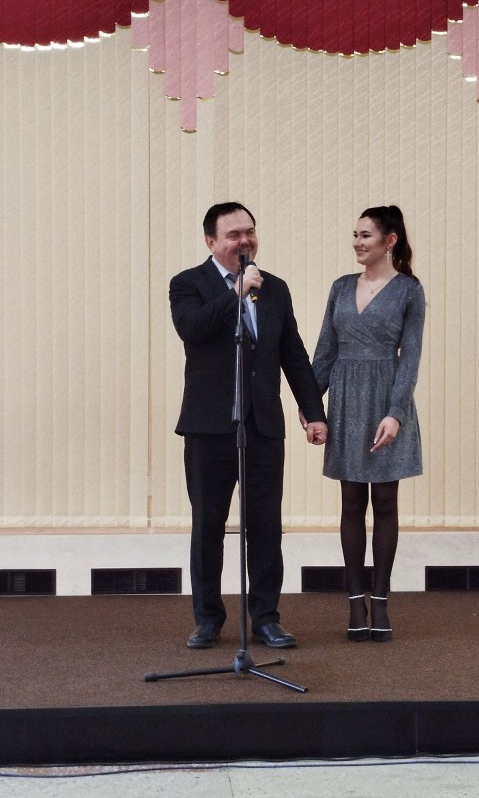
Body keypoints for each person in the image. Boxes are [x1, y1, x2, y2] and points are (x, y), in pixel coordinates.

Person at [170, 202, 327, 650]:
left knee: (265, 525)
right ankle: (208, 619)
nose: (245, 241)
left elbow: (292, 352)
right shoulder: (188, 284)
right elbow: (191, 329)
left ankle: (266, 618)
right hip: (208, 426)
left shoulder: (274, 288)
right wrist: (234, 293)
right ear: (211, 241)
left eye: (250, 232)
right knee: (208, 525)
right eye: (234, 234)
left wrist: (313, 410)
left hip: (263, 425)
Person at [310, 205, 425, 642]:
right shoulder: (341, 287)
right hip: (345, 400)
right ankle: (355, 602)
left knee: (386, 503)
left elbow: (410, 357)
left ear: (389, 241)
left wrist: (396, 413)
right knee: (351, 503)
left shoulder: (409, 290)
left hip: (385, 400)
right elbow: (325, 349)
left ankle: (380, 601)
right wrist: (311, 403)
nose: (357, 242)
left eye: (365, 235)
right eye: (354, 235)